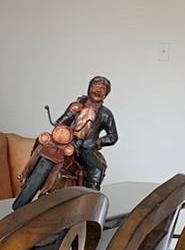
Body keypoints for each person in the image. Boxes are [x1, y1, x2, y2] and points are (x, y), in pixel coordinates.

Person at [13, 76, 119, 207]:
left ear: (106, 94)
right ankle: (27, 175)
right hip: (66, 140)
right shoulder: (76, 105)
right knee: (42, 144)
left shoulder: (105, 114)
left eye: (103, 89)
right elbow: (60, 123)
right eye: (96, 87)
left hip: (85, 147)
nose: (98, 91)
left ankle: (90, 203)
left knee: (96, 169)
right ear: (89, 88)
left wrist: (97, 142)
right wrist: (71, 112)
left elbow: (113, 136)